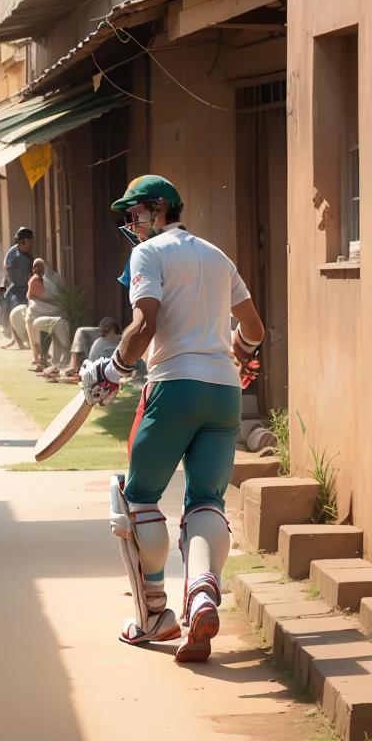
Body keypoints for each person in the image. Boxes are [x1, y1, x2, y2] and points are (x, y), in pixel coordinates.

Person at [81, 174, 264, 664]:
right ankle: (203, 593)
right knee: (207, 500)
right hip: (224, 393)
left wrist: (111, 370)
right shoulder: (215, 255)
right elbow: (254, 327)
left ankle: (155, 615)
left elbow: (144, 325)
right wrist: (242, 356)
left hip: (174, 386)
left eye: (134, 211)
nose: (130, 222)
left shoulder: (150, 253)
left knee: (136, 500)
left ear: (160, 208)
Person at [27, 257, 70, 375]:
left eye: (39, 267)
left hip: (56, 310)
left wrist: (56, 303)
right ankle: (40, 359)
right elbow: (31, 296)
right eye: (35, 267)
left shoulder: (53, 277)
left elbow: (55, 295)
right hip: (40, 313)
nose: (37, 270)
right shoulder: (34, 281)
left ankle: (52, 360)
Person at [1, 228, 35, 348]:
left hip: (25, 288)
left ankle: (23, 340)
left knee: (25, 315)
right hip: (15, 288)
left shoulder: (28, 256)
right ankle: (17, 341)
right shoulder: (14, 254)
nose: (31, 245)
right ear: (24, 241)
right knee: (13, 311)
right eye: (30, 242)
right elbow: (7, 269)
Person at [64, 314, 120, 382]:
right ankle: (73, 367)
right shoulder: (100, 341)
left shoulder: (119, 341)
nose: (103, 332)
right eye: (102, 330)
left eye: (106, 329)